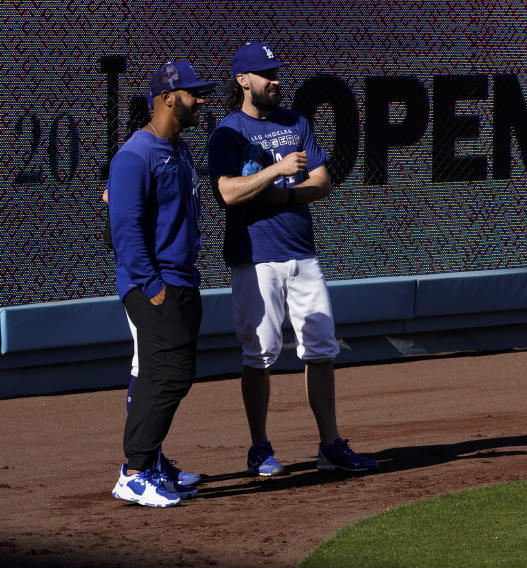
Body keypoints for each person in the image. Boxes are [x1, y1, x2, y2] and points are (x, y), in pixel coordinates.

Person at [208, 42, 378, 476]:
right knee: (259, 355)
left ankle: (330, 445)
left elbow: (321, 182)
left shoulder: (296, 121)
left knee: (321, 348)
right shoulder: (228, 130)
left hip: (302, 252)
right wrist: (276, 171)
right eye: (266, 73)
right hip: (255, 256)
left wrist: (280, 192)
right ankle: (259, 448)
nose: (276, 80)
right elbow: (227, 192)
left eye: (277, 72)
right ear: (243, 81)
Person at [108, 61, 216, 507]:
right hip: (154, 284)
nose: (201, 100)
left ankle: (150, 461)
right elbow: (126, 227)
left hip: (182, 278)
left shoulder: (179, 149)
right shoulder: (136, 154)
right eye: (193, 93)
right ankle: (134, 472)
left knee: (165, 375)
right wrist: (151, 285)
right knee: (168, 375)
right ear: (168, 98)